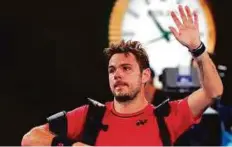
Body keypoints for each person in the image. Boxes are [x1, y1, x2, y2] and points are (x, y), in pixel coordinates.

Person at [21, 5, 223, 146]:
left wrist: (197, 48)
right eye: (112, 70)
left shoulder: (167, 117)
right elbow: (31, 138)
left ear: (145, 75)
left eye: (126, 68)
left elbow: (213, 92)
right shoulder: (91, 115)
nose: (117, 74)